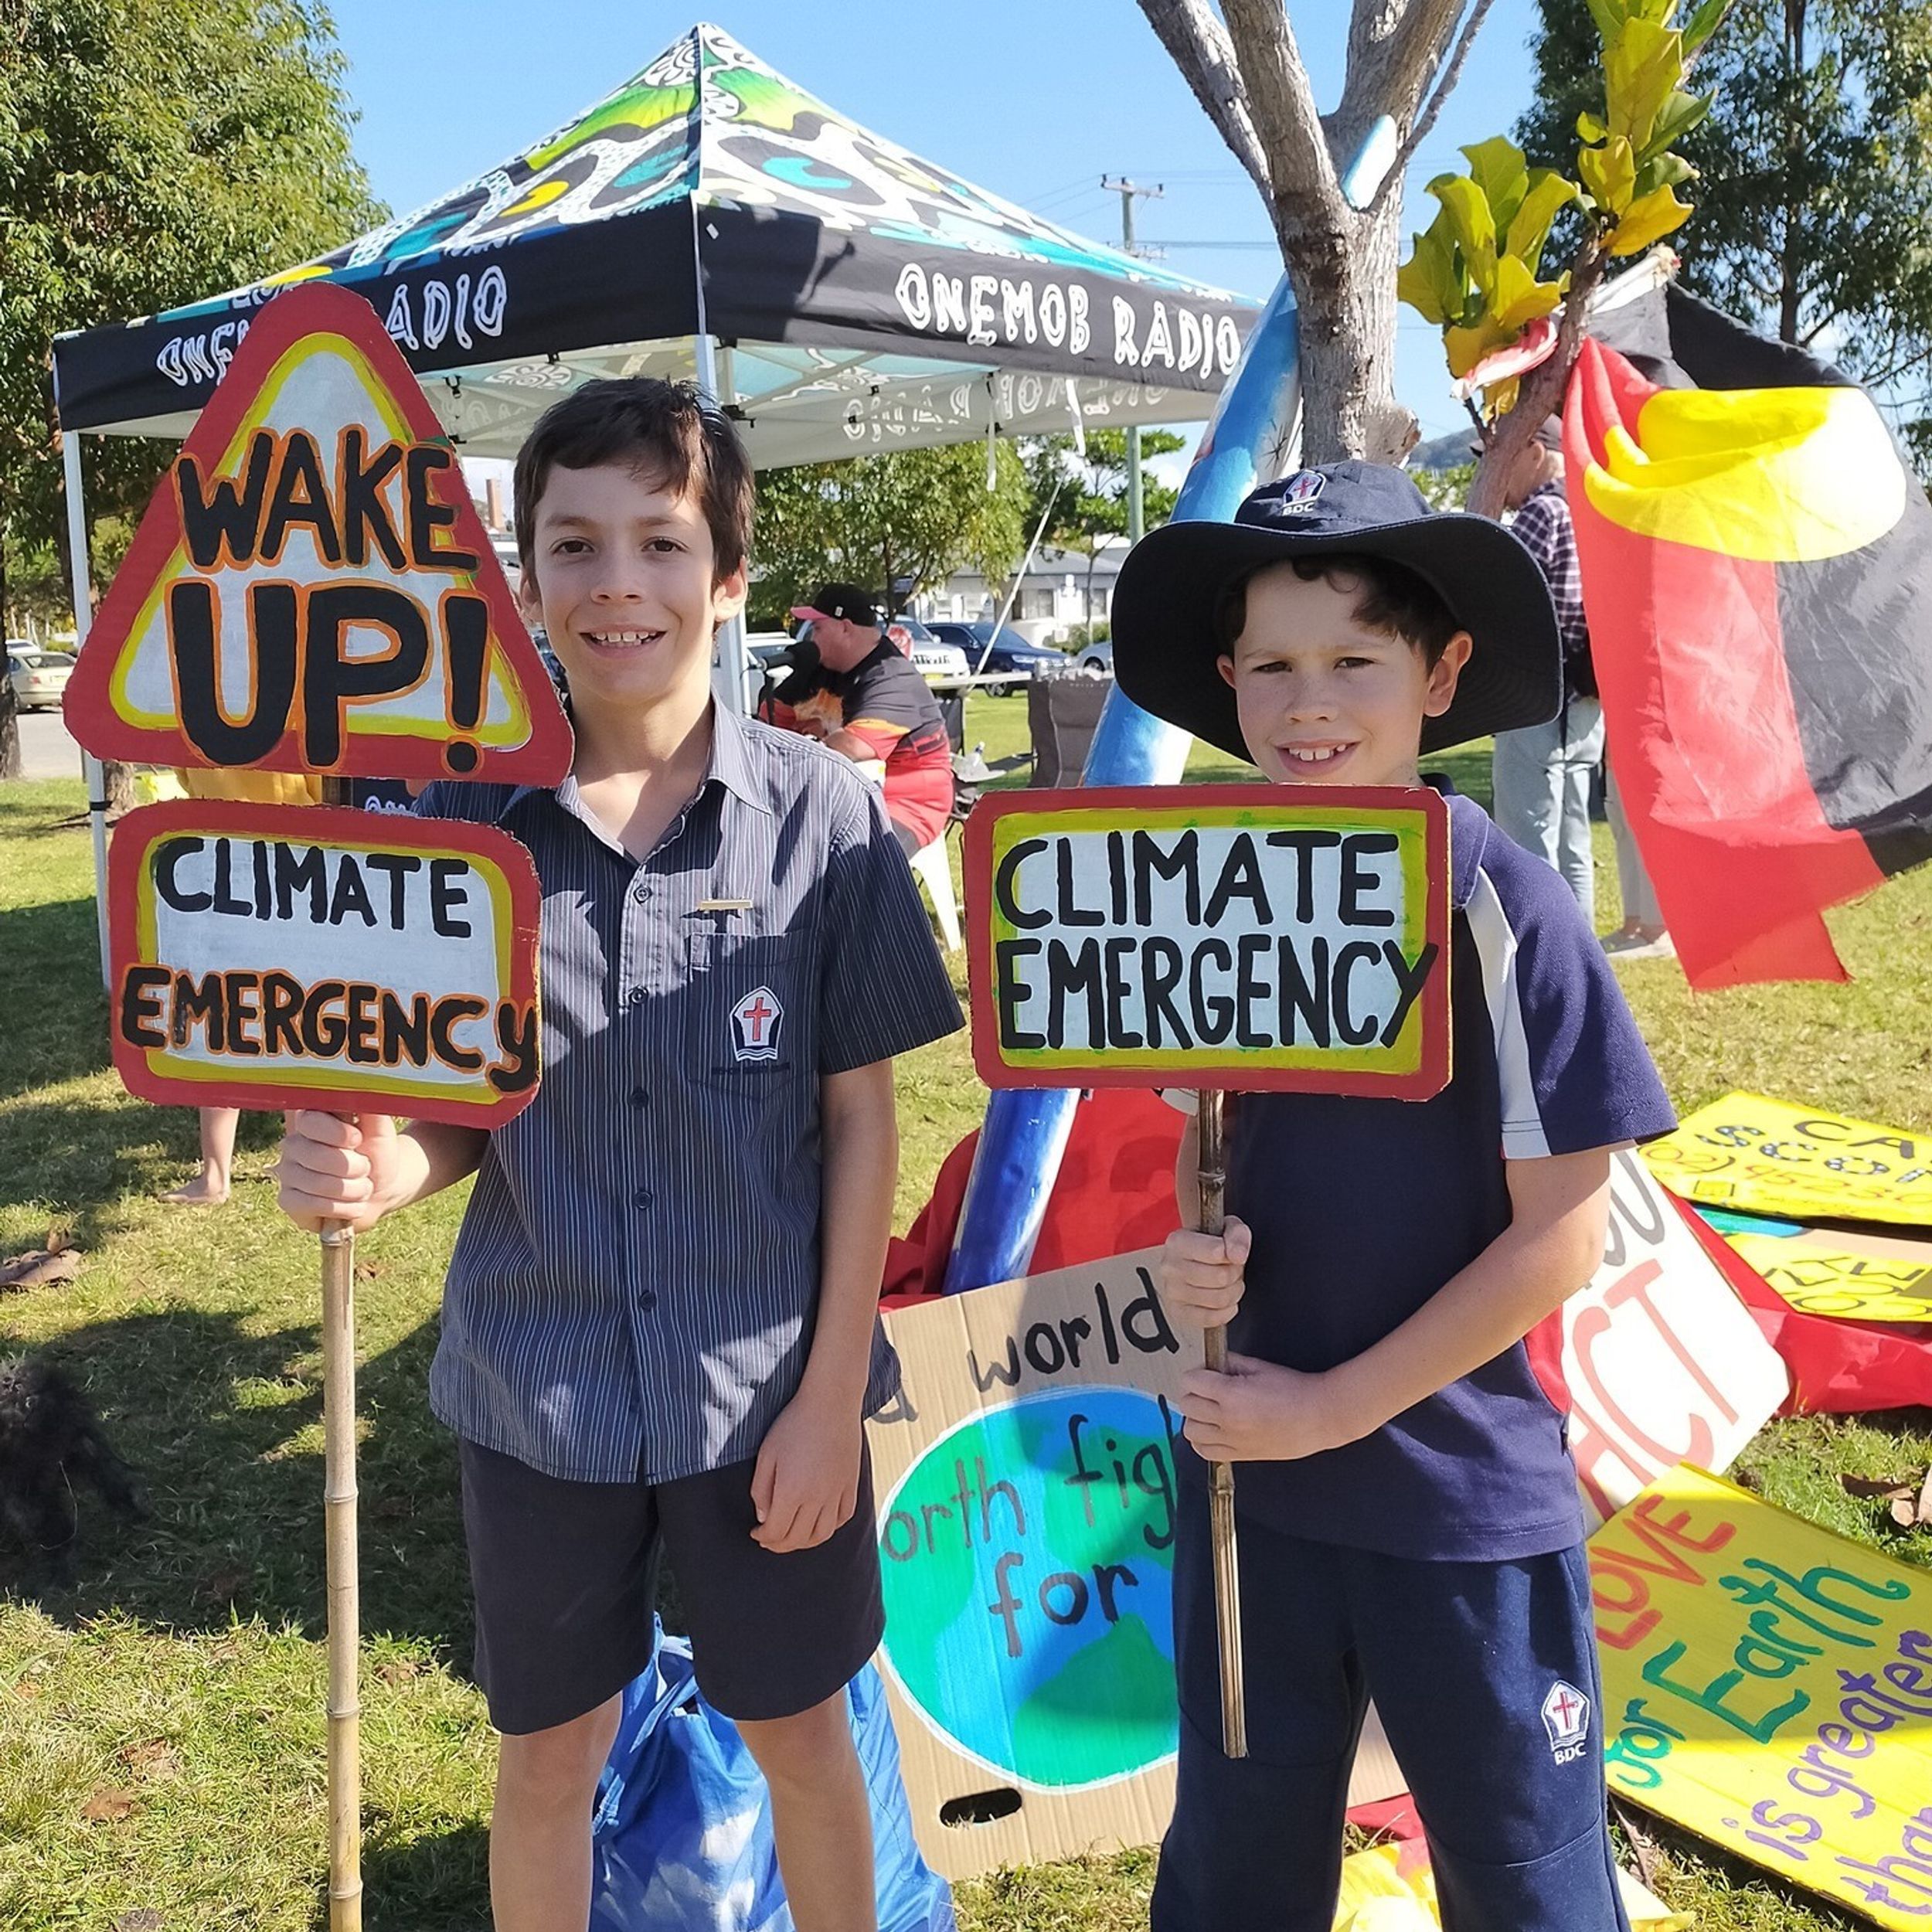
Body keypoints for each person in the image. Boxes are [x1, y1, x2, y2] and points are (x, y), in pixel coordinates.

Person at [274, 379, 962, 1932]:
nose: (615, 583)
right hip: (541, 1389)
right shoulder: (467, 829)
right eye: (573, 545)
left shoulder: (825, 822)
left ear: (726, 580)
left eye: (660, 542)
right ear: (528, 577)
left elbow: (861, 1122)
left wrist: (830, 1396)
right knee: (547, 1757)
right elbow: (461, 1108)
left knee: (802, 1741)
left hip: (762, 1398)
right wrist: (379, 1173)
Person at [1107, 461, 1677, 1932]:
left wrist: (1338, 1406)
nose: (1310, 706)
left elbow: (1563, 1234)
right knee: (1237, 1868)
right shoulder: (1202, 893)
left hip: (1461, 1503)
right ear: (1227, 682)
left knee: (1525, 1876)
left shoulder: (1506, 909)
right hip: (1249, 1493)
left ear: (1441, 674)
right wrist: (1198, 1251)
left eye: (1354, 661)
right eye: (1273, 667)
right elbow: (1211, 1148)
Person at [164, 767, 323, 1205]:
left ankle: (215, 1175)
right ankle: (295, 1159)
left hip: (220, 870)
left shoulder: (197, 730)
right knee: (292, 1016)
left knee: (223, 1017)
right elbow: (322, 790)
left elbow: (187, 779)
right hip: (294, 869)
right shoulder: (295, 730)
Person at [1488, 417, 1610, 927]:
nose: (1495, 469)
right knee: (1573, 837)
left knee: (1528, 837)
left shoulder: (1542, 512)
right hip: (1587, 696)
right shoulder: (1590, 508)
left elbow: (1502, 598)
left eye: (1502, 455)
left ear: (1535, 452)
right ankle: (1578, 948)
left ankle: (1537, 948)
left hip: (1536, 697)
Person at [758, 583, 954, 857]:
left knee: (853, 859)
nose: (811, 638)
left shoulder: (892, 676)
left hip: (906, 803)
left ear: (845, 628)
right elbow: (769, 721)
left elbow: (853, 748)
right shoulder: (819, 668)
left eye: (818, 628)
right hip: (836, 798)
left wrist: (796, 748)